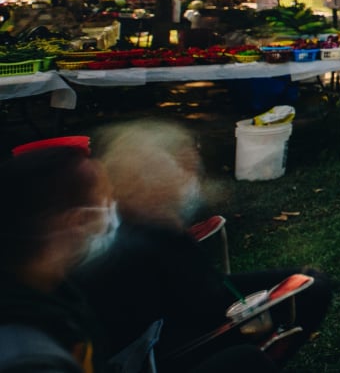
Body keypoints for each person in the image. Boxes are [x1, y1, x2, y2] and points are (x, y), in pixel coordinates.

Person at [75, 121, 327, 372]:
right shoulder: (134, 243)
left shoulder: (153, 223)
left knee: (309, 283)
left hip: (192, 318)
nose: (189, 173)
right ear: (140, 183)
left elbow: (209, 287)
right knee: (260, 346)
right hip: (169, 349)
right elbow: (204, 305)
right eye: (177, 166)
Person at [0, 138, 114, 373]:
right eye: (106, 199)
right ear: (76, 221)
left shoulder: (52, 297)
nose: (114, 208)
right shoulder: (29, 360)